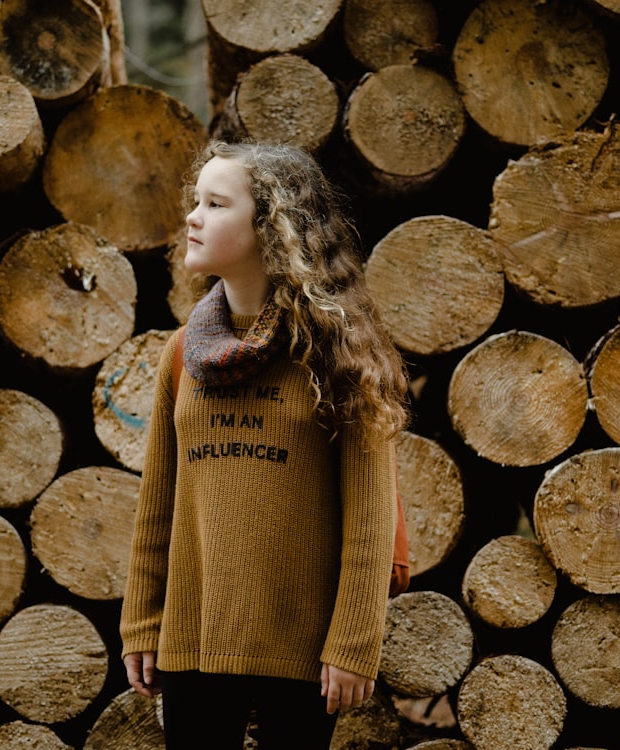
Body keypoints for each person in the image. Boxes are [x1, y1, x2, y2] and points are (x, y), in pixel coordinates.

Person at [119, 140, 410, 749]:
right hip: (194, 639)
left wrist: (355, 642)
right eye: (195, 201)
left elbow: (370, 515)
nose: (193, 217)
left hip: (303, 650)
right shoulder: (181, 356)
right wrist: (142, 623)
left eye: (216, 204)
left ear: (271, 228)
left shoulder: (337, 351)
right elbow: (159, 503)